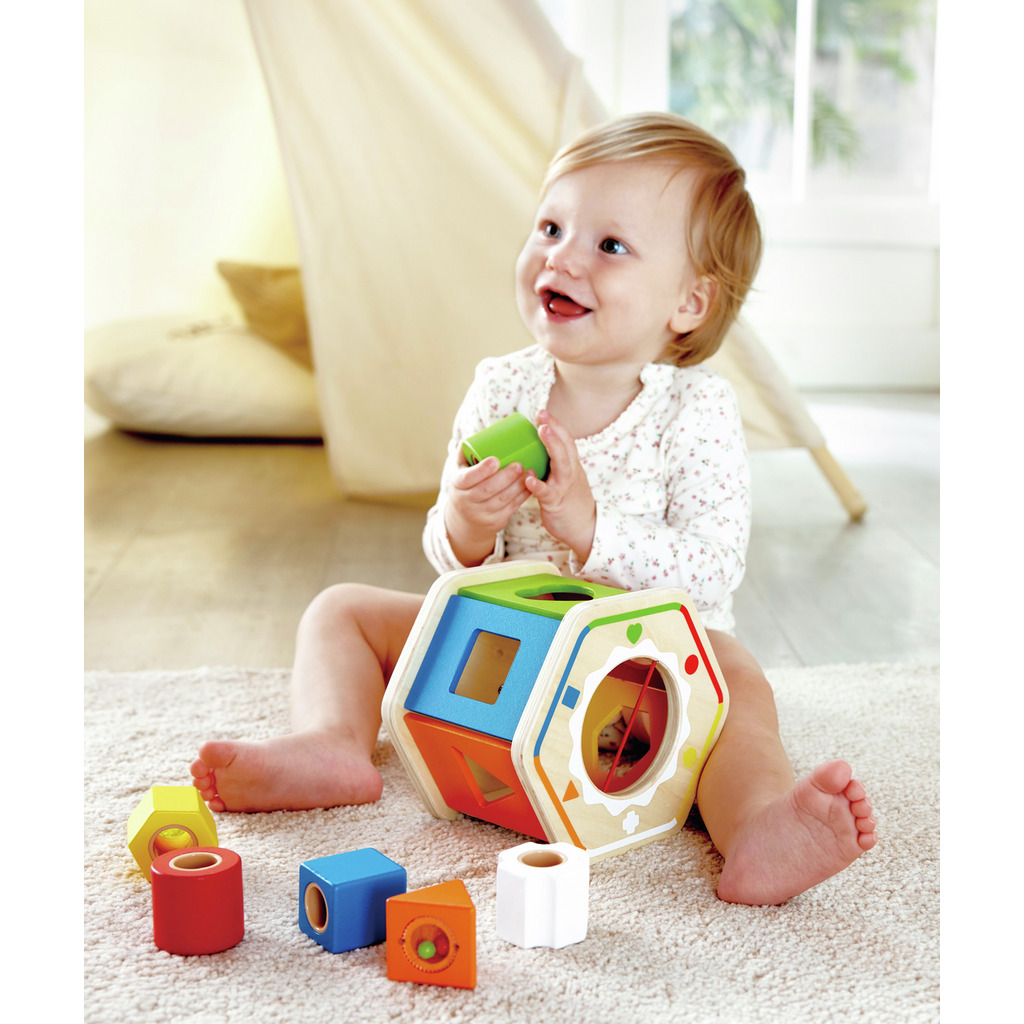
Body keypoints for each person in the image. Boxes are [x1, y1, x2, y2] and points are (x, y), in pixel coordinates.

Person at [190, 112, 875, 906]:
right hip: (508, 653)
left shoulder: (696, 411)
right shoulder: (501, 388)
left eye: (609, 246)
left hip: (641, 668)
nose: (563, 256)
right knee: (340, 609)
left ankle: (756, 824)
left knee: (737, 678)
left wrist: (592, 531)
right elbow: (452, 567)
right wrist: (466, 521)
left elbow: (712, 568)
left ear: (688, 303)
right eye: (551, 226)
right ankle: (333, 743)